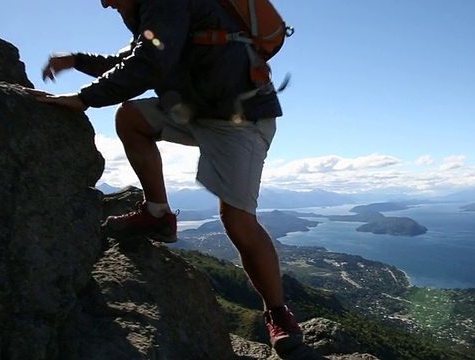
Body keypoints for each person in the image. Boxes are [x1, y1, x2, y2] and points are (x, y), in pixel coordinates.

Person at [29, 0, 303, 354]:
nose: (105, 2)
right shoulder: (151, 12)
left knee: (237, 220)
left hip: (242, 117)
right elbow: (134, 60)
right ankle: (157, 213)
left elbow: (150, 62)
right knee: (131, 117)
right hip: (197, 109)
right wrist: (77, 60)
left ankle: (278, 313)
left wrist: (84, 99)